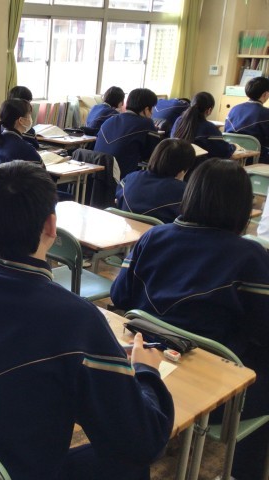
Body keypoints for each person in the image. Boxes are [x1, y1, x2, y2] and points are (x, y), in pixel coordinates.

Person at [0, 160, 174, 480]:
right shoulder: (77, 319)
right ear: (51, 226)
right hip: (2, 471)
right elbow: (144, 442)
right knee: (131, 462)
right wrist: (146, 370)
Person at [111, 158, 269, 480]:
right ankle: (243, 473)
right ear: (242, 207)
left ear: (191, 193)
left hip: (144, 369)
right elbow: (263, 329)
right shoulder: (250, 256)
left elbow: (119, 296)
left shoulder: (153, 237)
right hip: (215, 392)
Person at [116, 138, 195, 223]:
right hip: (162, 231)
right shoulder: (185, 193)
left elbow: (117, 201)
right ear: (182, 171)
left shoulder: (129, 179)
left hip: (127, 229)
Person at [94, 88, 161, 178]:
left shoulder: (110, 120)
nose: (152, 113)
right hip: (121, 178)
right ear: (146, 109)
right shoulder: (146, 123)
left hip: (97, 175)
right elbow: (154, 155)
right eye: (151, 109)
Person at [171, 92, 236, 159]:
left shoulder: (178, 121)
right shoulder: (209, 128)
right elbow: (224, 152)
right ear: (209, 110)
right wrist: (234, 146)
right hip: (199, 164)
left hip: (176, 162)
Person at [0, 99, 42, 167]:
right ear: (21, 120)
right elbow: (42, 171)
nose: (31, 118)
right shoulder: (25, 148)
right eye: (30, 115)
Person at [225, 76, 269, 163]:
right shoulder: (266, 113)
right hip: (257, 158)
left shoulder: (234, 109)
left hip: (232, 156)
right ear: (265, 94)